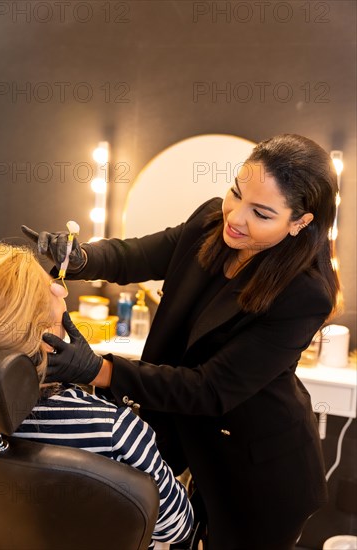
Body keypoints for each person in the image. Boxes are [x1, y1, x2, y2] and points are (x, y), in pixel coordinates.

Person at [22, 133, 340, 550]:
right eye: (235, 193)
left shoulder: (304, 294)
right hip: (186, 439)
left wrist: (97, 369)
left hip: (255, 469)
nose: (236, 217)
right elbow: (135, 255)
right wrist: (79, 258)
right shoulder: (211, 221)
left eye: (261, 213)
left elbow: (209, 389)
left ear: (301, 222)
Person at [0, 243, 194, 549]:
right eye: (62, 316)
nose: (61, 294)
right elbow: (177, 528)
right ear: (48, 341)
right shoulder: (115, 430)